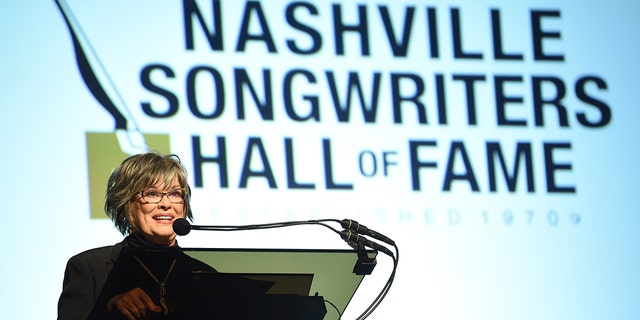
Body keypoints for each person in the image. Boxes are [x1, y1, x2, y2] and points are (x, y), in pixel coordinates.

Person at [57, 152, 214, 320]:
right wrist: (109, 313)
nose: (166, 204)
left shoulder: (206, 276)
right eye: (152, 193)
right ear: (127, 204)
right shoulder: (91, 268)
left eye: (175, 193)